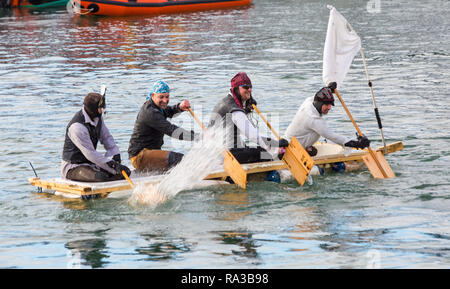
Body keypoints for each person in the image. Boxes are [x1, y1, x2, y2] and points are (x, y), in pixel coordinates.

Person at [209, 72, 288, 164]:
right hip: (226, 155)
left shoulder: (225, 101)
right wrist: (275, 144)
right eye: (245, 87)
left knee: (256, 149)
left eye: (250, 87)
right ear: (236, 89)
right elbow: (251, 134)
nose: (249, 89)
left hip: (222, 152)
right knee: (267, 152)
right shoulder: (234, 108)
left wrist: (245, 108)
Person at [285, 82, 370, 156]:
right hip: (293, 149)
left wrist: (329, 89)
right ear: (318, 103)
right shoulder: (314, 120)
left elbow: (316, 95)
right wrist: (357, 144)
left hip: (290, 140)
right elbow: (333, 137)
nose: (329, 108)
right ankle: (306, 149)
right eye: (326, 104)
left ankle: (307, 148)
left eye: (330, 104)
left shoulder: (308, 102)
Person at [128, 80, 197, 172]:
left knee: (179, 160)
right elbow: (172, 130)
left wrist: (179, 107)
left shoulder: (157, 107)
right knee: (180, 159)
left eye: (167, 97)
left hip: (150, 153)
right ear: (153, 96)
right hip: (139, 156)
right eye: (161, 97)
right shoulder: (150, 112)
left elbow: (168, 110)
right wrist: (197, 137)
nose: (165, 100)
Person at [61, 91, 131, 182]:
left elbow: (106, 137)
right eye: (100, 108)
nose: (101, 111)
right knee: (100, 177)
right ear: (93, 109)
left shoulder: (98, 118)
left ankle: (111, 182)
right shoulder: (77, 127)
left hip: (92, 164)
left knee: (126, 172)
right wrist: (111, 165)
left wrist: (115, 154)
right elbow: (91, 154)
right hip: (74, 167)